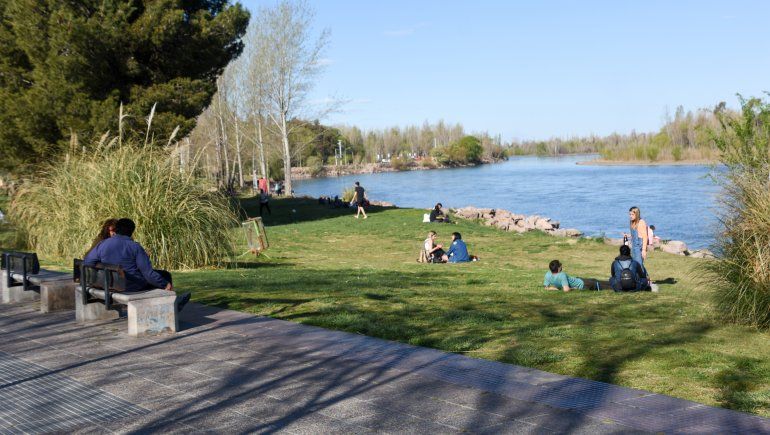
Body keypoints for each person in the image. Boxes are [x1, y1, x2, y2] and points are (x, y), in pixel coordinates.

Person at [84, 218, 191, 310]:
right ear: (131, 232)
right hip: (130, 286)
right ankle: (171, 306)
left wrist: (104, 266)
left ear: (116, 230)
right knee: (165, 275)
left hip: (108, 284)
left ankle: (168, 304)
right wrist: (165, 284)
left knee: (158, 276)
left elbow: (88, 262)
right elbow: (148, 273)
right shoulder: (135, 247)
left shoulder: (103, 244)